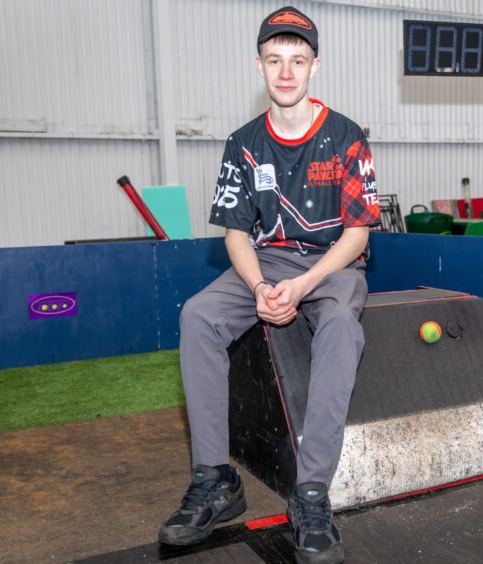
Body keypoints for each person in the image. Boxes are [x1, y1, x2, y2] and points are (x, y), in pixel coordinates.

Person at [158, 6, 380, 563]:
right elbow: (236, 236)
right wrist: (258, 287)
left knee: (338, 329)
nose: (286, 72)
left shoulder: (346, 137)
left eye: (298, 60)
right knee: (198, 316)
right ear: (258, 66)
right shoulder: (243, 143)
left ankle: (310, 494)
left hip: (331, 266)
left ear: (315, 67)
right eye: (275, 60)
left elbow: (356, 236)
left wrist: (305, 284)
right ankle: (215, 481)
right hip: (265, 262)